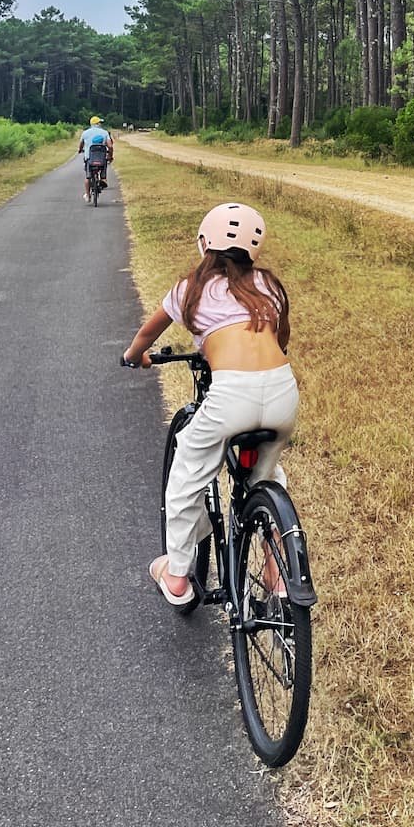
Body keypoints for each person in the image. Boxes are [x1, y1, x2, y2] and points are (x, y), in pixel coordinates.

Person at [122, 201, 298, 607]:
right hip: (282, 391)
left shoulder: (191, 289)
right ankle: (279, 575)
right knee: (266, 476)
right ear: (254, 249)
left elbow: (147, 334)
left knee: (186, 476)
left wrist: (134, 356)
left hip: (231, 395)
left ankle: (179, 576)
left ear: (205, 243)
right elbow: (280, 340)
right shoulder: (267, 286)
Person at [78, 115, 114, 201]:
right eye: (100, 123)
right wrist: (110, 156)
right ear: (97, 124)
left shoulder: (85, 133)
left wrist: (80, 150)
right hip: (101, 158)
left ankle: (87, 195)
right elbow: (110, 146)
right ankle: (103, 178)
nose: (101, 124)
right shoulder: (105, 133)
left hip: (89, 158)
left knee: (88, 177)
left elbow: (81, 145)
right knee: (104, 165)